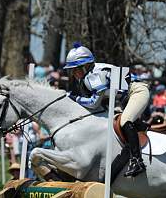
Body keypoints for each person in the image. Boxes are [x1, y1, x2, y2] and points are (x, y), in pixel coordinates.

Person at [63, 43, 150, 177]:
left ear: (86, 66)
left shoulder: (94, 75)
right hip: (122, 99)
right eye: (72, 70)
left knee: (125, 121)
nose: (74, 73)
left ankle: (137, 161)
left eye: (76, 69)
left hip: (137, 91)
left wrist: (73, 98)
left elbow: (93, 103)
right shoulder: (89, 75)